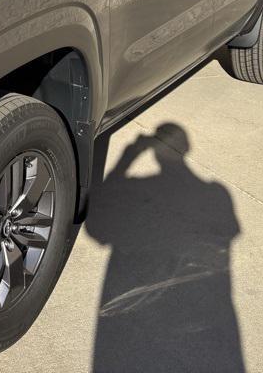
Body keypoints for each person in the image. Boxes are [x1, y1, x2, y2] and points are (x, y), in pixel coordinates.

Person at [85, 123, 244, 372]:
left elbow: (97, 223)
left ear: (153, 152)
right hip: (205, 317)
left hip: (137, 315)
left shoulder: (138, 191)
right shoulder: (216, 194)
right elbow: (229, 232)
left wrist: (128, 156)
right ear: (187, 148)